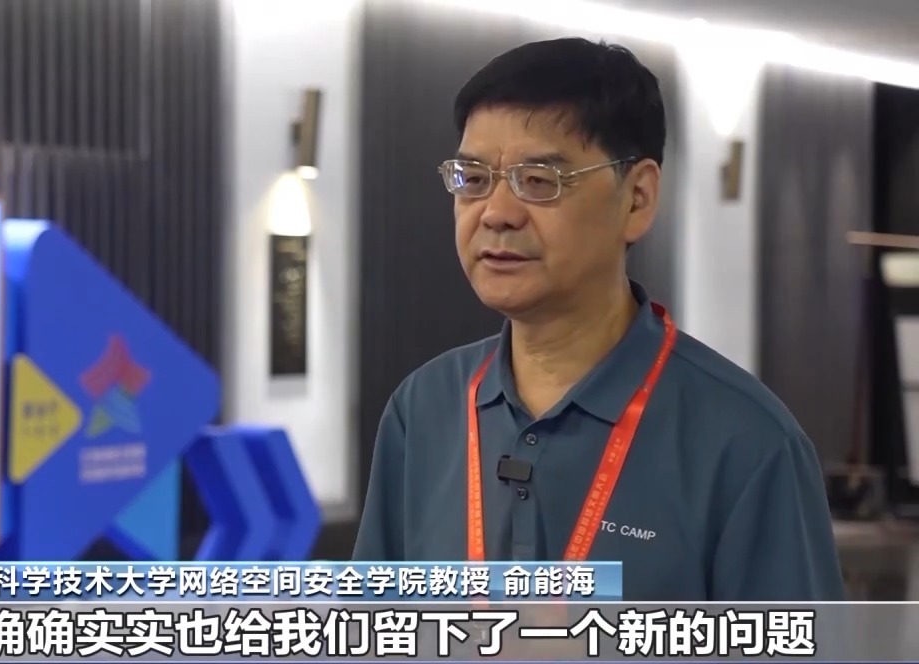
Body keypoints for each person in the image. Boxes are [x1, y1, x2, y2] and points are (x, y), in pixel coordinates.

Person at [352, 37, 845, 601]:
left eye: (539, 180)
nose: (496, 214)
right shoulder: (423, 409)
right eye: (474, 178)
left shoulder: (748, 444)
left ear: (637, 198)